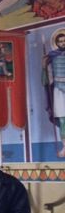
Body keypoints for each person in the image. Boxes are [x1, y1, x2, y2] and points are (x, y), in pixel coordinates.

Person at [42, 28, 65, 157]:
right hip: (59, 89)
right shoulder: (52, 56)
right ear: (56, 43)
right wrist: (44, 66)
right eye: (60, 41)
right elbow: (46, 80)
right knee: (62, 120)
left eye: (64, 41)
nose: (63, 43)